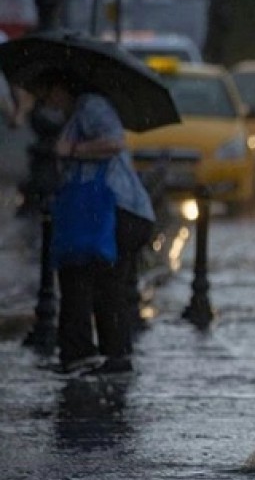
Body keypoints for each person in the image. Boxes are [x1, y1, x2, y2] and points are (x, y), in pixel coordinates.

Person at [26, 68, 157, 376]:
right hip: (104, 210)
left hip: (120, 208)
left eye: (48, 92)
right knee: (84, 279)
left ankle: (114, 356)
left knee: (106, 284)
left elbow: (114, 143)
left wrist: (73, 149)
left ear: (62, 87)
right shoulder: (76, 113)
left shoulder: (91, 106)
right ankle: (85, 354)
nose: (47, 101)